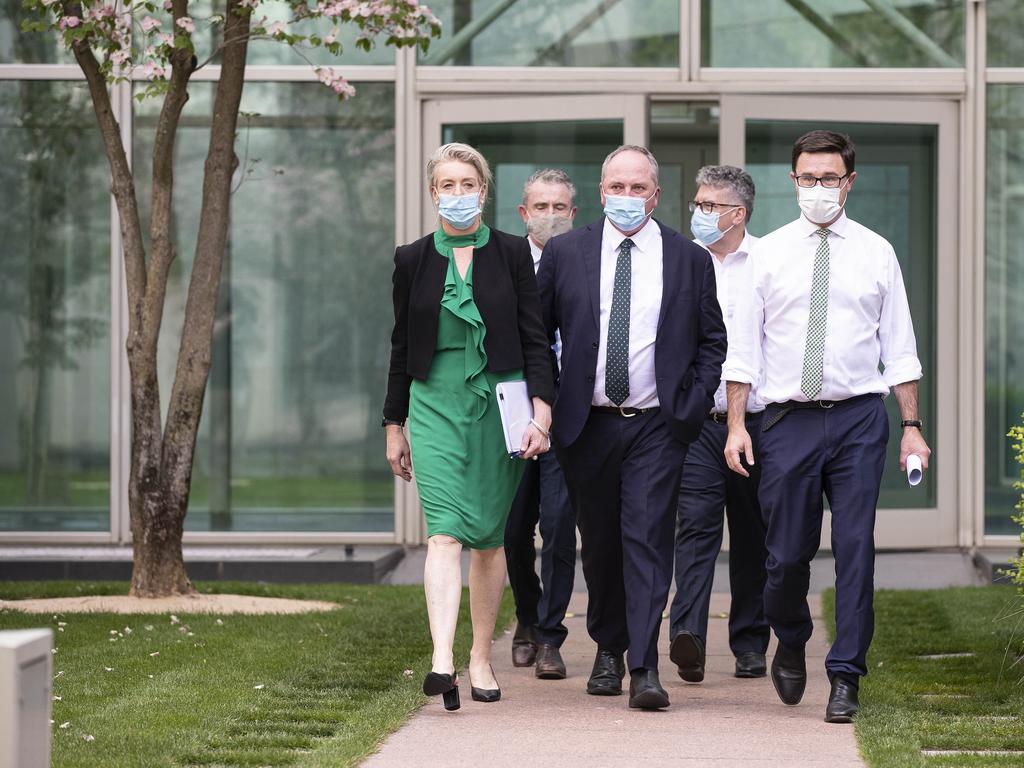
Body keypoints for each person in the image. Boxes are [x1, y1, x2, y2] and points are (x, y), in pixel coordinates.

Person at [723, 130, 931, 723]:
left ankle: (846, 676)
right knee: (784, 556)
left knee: (855, 548)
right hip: (784, 421)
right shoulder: (765, 254)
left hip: (858, 419)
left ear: (849, 181)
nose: (818, 188)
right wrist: (738, 424)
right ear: (793, 182)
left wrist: (911, 425)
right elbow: (743, 349)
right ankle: (789, 636)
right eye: (807, 178)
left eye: (829, 178)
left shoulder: (876, 252)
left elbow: (901, 348)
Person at [537, 145, 727, 710]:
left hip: (656, 426)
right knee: (598, 545)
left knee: (646, 539)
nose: (626, 198)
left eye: (637, 188)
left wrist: (689, 406)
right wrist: (546, 403)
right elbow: (537, 337)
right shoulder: (566, 252)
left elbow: (712, 340)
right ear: (601, 193)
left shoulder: (688, 258)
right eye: (616, 188)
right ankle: (608, 647)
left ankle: (644, 666)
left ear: (655, 194)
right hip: (585, 424)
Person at [382, 142, 555, 712]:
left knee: (487, 540)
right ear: (434, 193)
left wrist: (541, 412)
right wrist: (393, 424)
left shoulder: (509, 254)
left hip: (497, 407)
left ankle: (479, 657)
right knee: (443, 533)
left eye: (467, 184)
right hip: (433, 405)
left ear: (485, 191)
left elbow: (535, 341)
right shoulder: (412, 258)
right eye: (447, 186)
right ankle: (440, 660)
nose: (458, 195)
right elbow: (401, 345)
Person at [669, 165, 770, 685]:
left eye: (709, 206)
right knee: (696, 529)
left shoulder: (770, 262)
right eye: (697, 203)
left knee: (753, 536)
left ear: (738, 213)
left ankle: (751, 643)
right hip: (698, 424)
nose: (699, 213)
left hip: (759, 423)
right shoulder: (681, 262)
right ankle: (687, 637)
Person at [505, 169, 578, 680]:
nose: (550, 215)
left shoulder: (585, 262)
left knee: (557, 526)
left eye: (560, 207)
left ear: (573, 213)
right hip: (513, 416)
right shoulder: (504, 264)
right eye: (541, 206)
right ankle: (527, 619)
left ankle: (551, 636)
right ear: (523, 213)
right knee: (512, 531)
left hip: (568, 418)